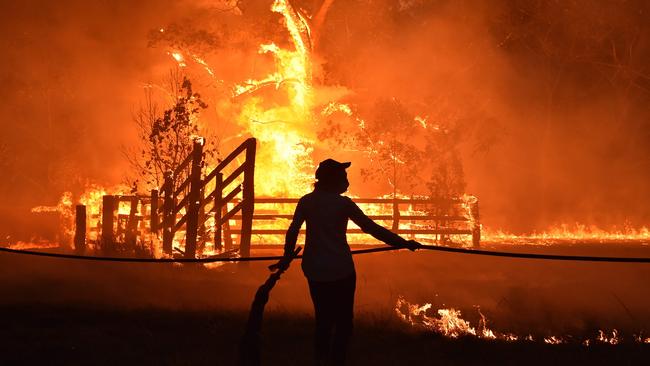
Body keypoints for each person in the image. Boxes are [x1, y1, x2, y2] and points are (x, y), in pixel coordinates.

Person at [274, 158, 420, 365]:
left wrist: (287, 256)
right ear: (331, 179)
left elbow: (293, 230)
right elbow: (371, 228)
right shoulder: (343, 204)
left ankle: (321, 359)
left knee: (323, 320)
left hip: (315, 269)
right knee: (344, 322)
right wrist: (403, 243)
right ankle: (337, 360)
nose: (347, 181)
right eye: (343, 177)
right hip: (341, 270)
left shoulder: (306, 201)